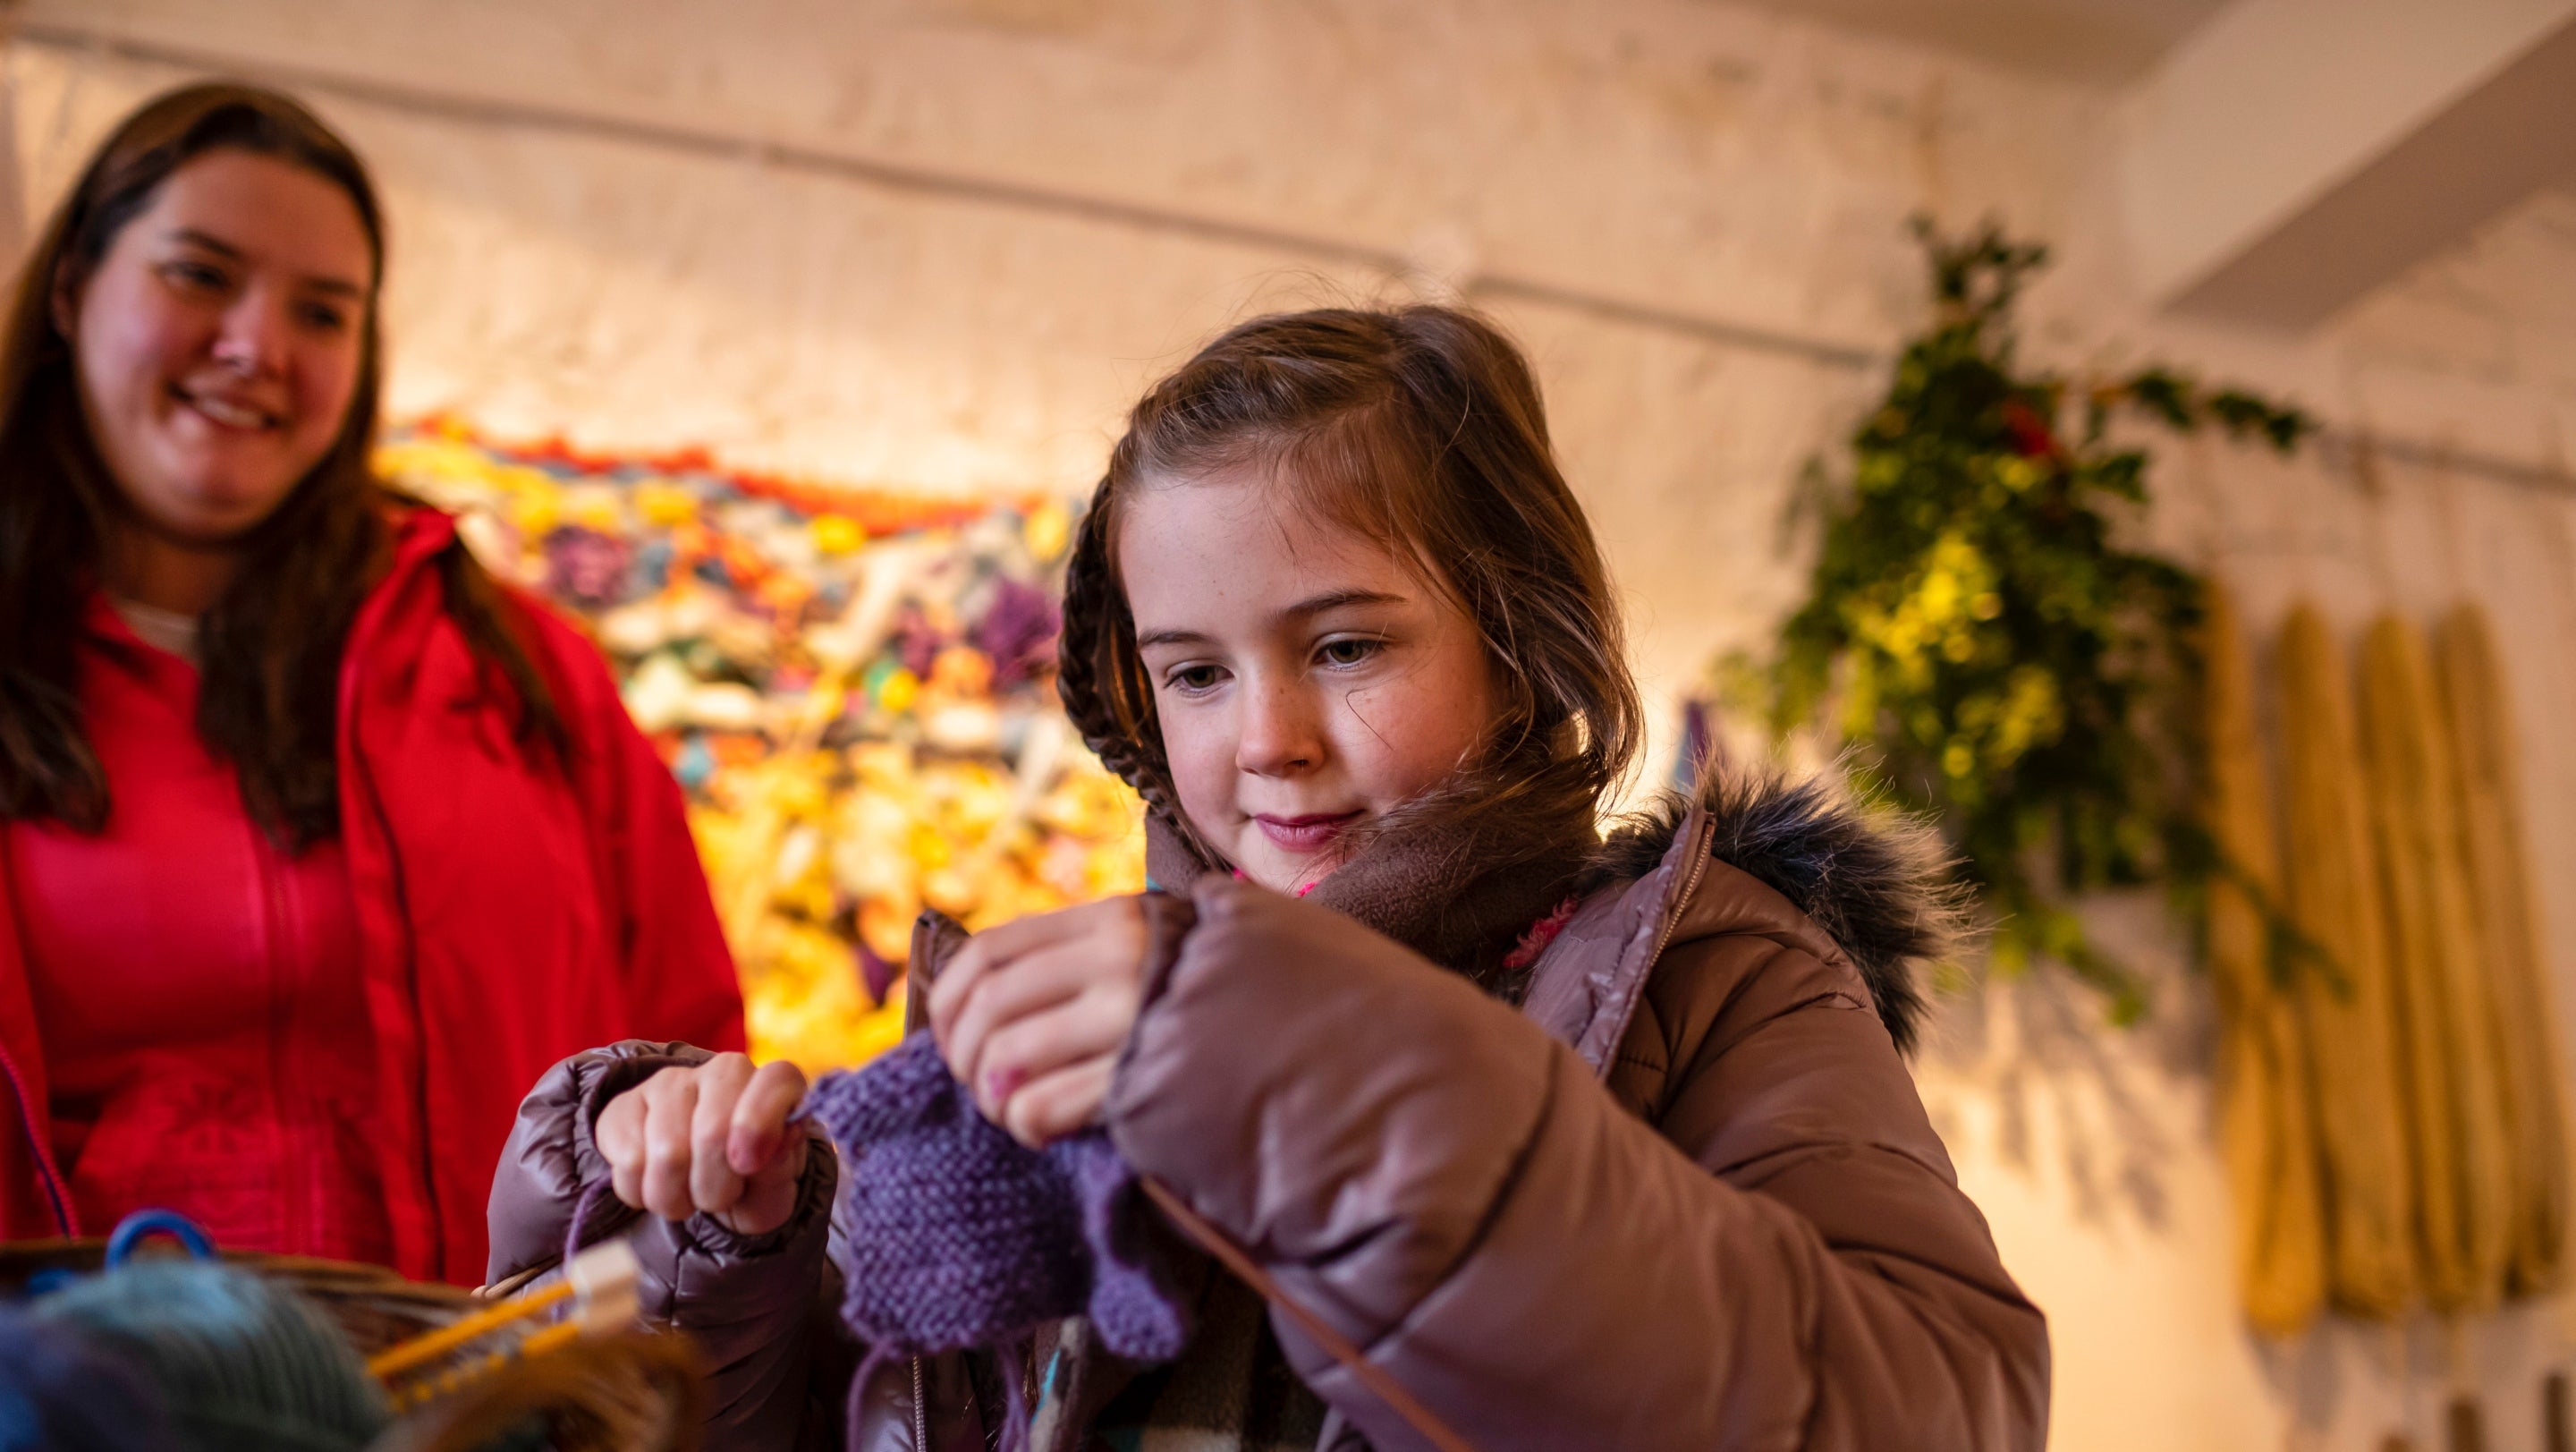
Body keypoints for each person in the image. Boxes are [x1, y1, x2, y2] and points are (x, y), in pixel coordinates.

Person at [488, 306, 2050, 1448]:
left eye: (1348, 646)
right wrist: (713, 1242)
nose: (1269, 744)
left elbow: (1926, 1410)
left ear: (1517, 646)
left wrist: (1336, 1075)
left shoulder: (1720, 975)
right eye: (1196, 674)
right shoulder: (1074, 1039)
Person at [0, 82, 744, 1286]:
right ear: (74, 286)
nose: (258, 346)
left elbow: (690, 1057)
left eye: (322, 312)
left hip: (491, 1394)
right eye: (200, 275)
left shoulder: (518, 670)